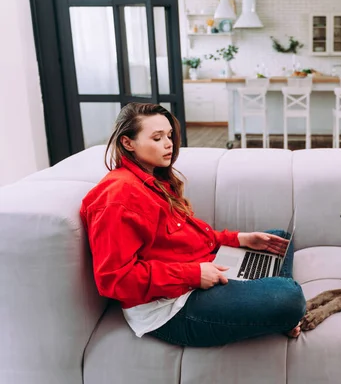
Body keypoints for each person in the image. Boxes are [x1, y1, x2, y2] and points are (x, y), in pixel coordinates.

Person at [80, 102, 305, 347]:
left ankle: (266, 303)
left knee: (279, 238)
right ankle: (277, 309)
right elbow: (115, 280)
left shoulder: (153, 179)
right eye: (157, 138)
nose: (169, 144)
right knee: (289, 297)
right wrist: (194, 274)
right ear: (128, 143)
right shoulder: (117, 197)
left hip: (197, 271)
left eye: (169, 136)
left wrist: (240, 239)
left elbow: (186, 238)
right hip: (171, 308)